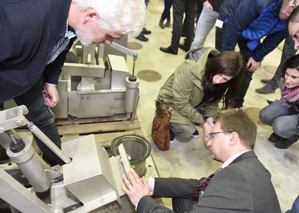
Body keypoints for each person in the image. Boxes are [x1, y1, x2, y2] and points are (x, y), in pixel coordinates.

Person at [0, 0, 145, 166]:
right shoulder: (16, 19)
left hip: (26, 71)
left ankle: (61, 166)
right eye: (109, 36)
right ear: (91, 16)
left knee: (42, 118)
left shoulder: (73, 19)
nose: (109, 42)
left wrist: (50, 80)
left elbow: (59, 47)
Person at [122, 110, 281, 213]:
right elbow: (199, 186)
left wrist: (142, 201)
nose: (208, 143)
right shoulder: (251, 167)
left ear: (232, 138)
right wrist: (148, 183)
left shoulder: (237, 176)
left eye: (213, 136)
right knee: (182, 198)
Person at [216, 0, 299, 111]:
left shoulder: (291, 20)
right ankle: (209, 102)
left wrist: (257, 57)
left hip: (253, 31)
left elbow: (273, 40)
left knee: (248, 68)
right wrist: (227, 59)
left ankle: (237, 104)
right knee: (221, 65)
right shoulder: (261, 2)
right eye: (292, 8)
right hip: (230, 19)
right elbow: (234, 26)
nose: (289, 15)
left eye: (295, 15)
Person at [155, 47, 246, 142]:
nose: (217, 80)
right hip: (172, 102)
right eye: (219, 74)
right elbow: (180, 103)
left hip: (196, 102)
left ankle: (191, 120)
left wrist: (209, 119)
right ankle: (171, 127)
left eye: (225, 79)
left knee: (222, 122)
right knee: (187, 131)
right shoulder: (189, 69)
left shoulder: (226, 79)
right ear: (216, 65)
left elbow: (213, 101)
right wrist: (203, 123)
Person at [259, 53, 299, 149]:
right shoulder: (287, 76)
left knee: (279, 126)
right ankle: (284, 130)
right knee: (265, 115)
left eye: (294, 77)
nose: (287, 80)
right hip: (293, 105)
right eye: (287, 74)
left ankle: (292, 136)